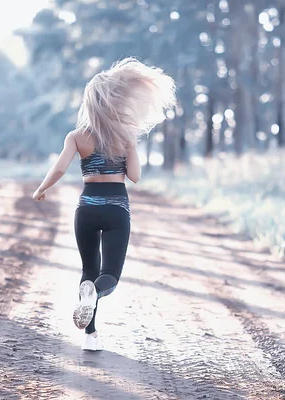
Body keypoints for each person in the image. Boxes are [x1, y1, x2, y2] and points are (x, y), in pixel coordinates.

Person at [32, 58, 176, 351]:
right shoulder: (125, 136)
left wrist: (41, 189)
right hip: (116, 210)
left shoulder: (76, 137)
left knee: (88, 270)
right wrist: (131, 145)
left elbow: (59, 169)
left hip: (85, 209)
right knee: (108, 274)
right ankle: (95, 295)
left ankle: (90, 337)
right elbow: (134, 177)